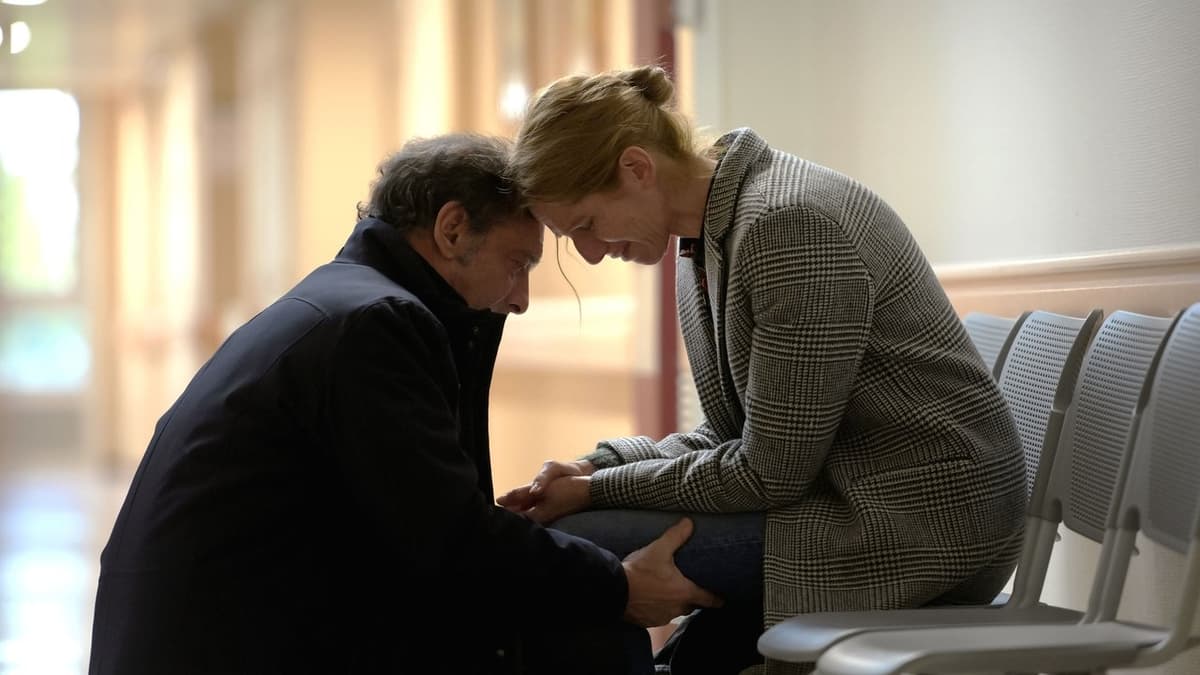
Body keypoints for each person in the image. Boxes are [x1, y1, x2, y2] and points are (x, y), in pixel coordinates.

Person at [88, 133, 720, 675]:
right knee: (583, 627)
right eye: (517, 263)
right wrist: (618, 585)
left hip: (223, 637)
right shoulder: (374, 326)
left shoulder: (343, 306)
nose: (521, 298)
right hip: (232, 647)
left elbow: (425, 530)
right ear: (452, 229)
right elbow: (452, 540)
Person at [499, 66, 1028, 675]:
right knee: (583, 549)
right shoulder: (706, 238)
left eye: (587, 226)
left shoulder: (788, 227)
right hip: (842, 498)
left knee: (582, 546)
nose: (591, 254)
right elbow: (732, 434)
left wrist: (597, 490)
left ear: (637, 168)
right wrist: (598, 465)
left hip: (923, 527)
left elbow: (767, 471)